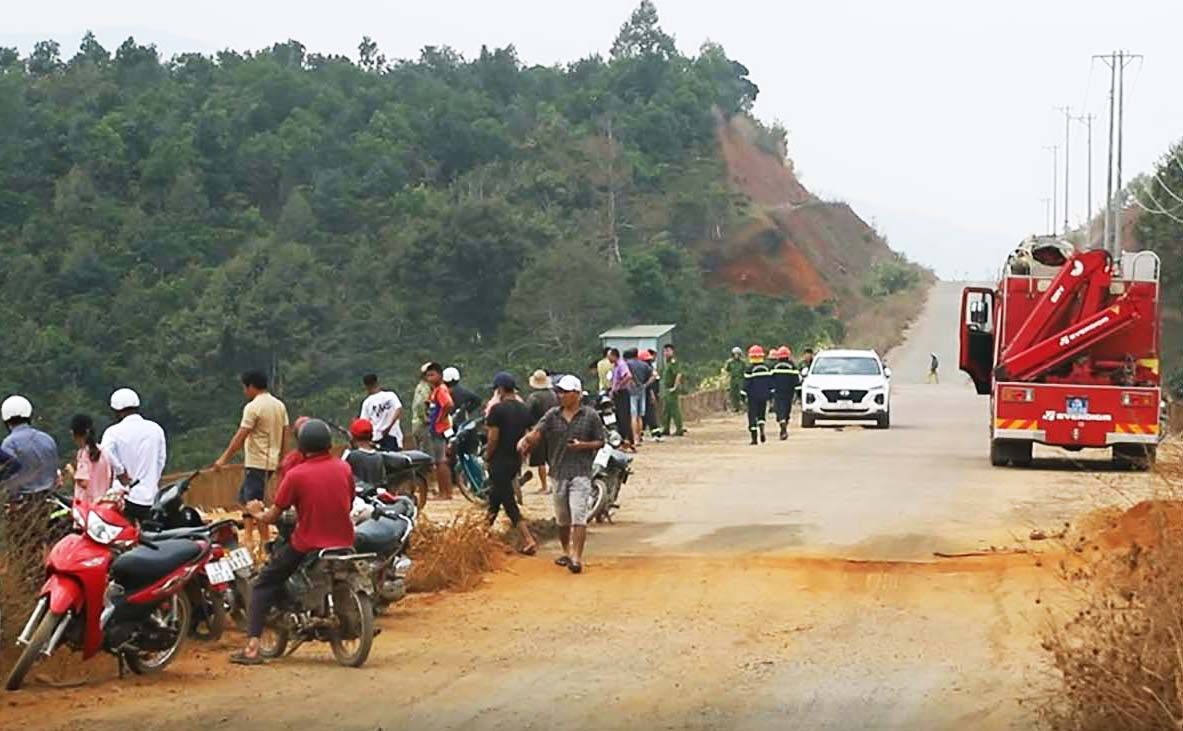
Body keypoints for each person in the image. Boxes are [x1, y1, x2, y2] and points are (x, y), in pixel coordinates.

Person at [230, 419, 355, 666]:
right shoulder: (343, 468)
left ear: (302, 445)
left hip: (307, 542)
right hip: (344, 540)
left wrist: (255, 512)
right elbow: (349, 501)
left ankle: (253, 647)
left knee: (263, 583)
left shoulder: (296, 474)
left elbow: (273, 515)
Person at [517, 375, 605, 575]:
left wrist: (583, 446)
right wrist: (526, 441)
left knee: (578, 515)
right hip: (557, 472)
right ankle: (566, 551)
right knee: (563, 519)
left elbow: (600, 441)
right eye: (560, 392)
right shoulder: (552, 415)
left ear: (577, 394)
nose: (561, 395)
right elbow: (537, 431)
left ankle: (576, 556)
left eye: (565, 392)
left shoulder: (590, 416)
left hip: (581, 471)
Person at [214, 370, 290, 554]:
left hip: (257, 461)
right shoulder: (279, 405)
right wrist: (283, 458)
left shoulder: (253, 407)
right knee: (245, 498)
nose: (244, 392)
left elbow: (241, 436)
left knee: (255, 502)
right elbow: (286, 433)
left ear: (251, 387)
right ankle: (248, 535)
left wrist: (223, 459)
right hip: (271, 460)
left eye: (244, 387)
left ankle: (264, 542)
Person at [484, 372, 538, 554]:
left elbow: (493, 438)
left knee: (507, 500)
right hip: (515, 460)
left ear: (499, 390)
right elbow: (533, 434)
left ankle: (528, 539)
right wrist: (525, 451)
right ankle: (482, 534)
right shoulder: (523, 409)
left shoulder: (497, 410)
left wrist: (487, 456)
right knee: (495, 497)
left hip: (499, 460)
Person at [101, 388, 167, 524]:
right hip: (153, 497)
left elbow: (105, 452)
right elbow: (161, 460)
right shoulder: (155, 429)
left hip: (126, 498)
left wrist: (120, 472)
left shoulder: (112, 432)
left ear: (117, 411)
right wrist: (154, 479)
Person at [1, 395, 60, 500]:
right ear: (29, 415)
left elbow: (9, 479)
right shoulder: (47, 439)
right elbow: (54, 473)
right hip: (50, 499)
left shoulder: (9, 443)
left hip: (23, 503)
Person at [68, 414, 121, 505]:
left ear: (73, 433)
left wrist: (72, 472)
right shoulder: (104, 452)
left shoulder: (84, 454)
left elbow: (84, 482)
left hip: (86, 505)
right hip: (103, 503)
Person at [422, 363, 454, 501]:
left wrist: (440, 418)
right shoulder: (435, 390)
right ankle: (446, 491)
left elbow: (448, 404)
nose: (429, 378)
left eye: (432, 375)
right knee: (440, 461)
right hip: (436, 428)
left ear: (440, 376)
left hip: (439, 429)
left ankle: (445, 493)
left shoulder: (441, 390)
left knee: (441, 462)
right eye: (428, 375)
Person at [525, 370, 558, 494]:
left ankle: (544, 486)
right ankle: (555, 485)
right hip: (555, 428)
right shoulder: (554, 395)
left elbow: (527, 414)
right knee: (553, 457)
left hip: (538, 428)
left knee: (540, 460)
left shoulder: (534, 397)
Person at [360, 374, 403, 451]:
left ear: (366, 386)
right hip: (392, 435)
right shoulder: (390, 395)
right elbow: (398, 409)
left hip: (377, 437)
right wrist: (389, 427)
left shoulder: (367, 403)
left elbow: (364, 423)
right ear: (377, 383)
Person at [741, 346, 773, 445]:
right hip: (764, 396)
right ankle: (762, 428)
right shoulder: (767, 368)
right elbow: (771, 383)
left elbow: (746, 384)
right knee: (761, 414)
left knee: (752, 416)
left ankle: (754, 438)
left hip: (752, 396)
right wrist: (771, 394)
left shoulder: (749, 369)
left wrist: (742, 395)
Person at [342, 418, 387, 488]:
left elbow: (340, 473)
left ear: (353, 437)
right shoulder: (379, 456)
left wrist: (349, 449)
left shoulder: (351, 455)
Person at [770, 347, 801, 441]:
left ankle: (782, 422)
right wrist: (799, 394)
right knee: (787, 409)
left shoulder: (774, 366)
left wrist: (770, 391)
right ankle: (784, 426)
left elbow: (770, 380)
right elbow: (797, 381)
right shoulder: (792, 366)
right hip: (789, 392)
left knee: (779, 409)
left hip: (778, 392)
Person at [624, 348, 653, 445]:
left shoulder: (627, 364)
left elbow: (627, 376)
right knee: (639, 416)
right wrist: (646, 385)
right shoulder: (644, 364)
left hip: (631, 391)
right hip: (642, 390)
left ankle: (634, 438)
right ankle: (639, 437)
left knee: (633, 415)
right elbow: (654, 375)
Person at [607, 348, 634, 448]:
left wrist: (618, 386)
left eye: (609, 356)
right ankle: (623, 440)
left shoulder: (621, 364)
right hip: (618, 393)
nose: (608, 358)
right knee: (619, 417)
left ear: (614, 356)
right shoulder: (616, 366)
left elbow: (628, 376)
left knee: (624, 417)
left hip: (622, 393)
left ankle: (627, 439)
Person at [660, 344, 686, 437]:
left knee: (674, 410)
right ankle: (665, 428)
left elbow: (678, 374)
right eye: (664, 351)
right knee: (666, 410)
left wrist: (675, 387)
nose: (666, 353)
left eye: (668, 351)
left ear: (672, 351)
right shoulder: (667, 363)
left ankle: (679, 429)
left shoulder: (673, 362)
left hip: (671, 389)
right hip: (667, 389)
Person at [641, 349, 663, 441]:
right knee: (649, 413)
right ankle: (654, 433)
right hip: (648, 393)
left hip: (648, 393)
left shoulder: (648, 368)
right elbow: (650, 384)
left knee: (646, 413)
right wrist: (652, 394)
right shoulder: (647, 369)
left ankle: (643, 432)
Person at [725, 347, 746, 412]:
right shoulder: (730, 362)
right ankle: (735, 407)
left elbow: (745, 370)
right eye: (735, 354)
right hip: (733, 379)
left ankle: (743, 407)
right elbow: (727, 370)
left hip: (741, 379)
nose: (736, 355)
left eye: (738, 354)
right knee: (733, 394)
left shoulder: (742, 362)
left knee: (741, 393)